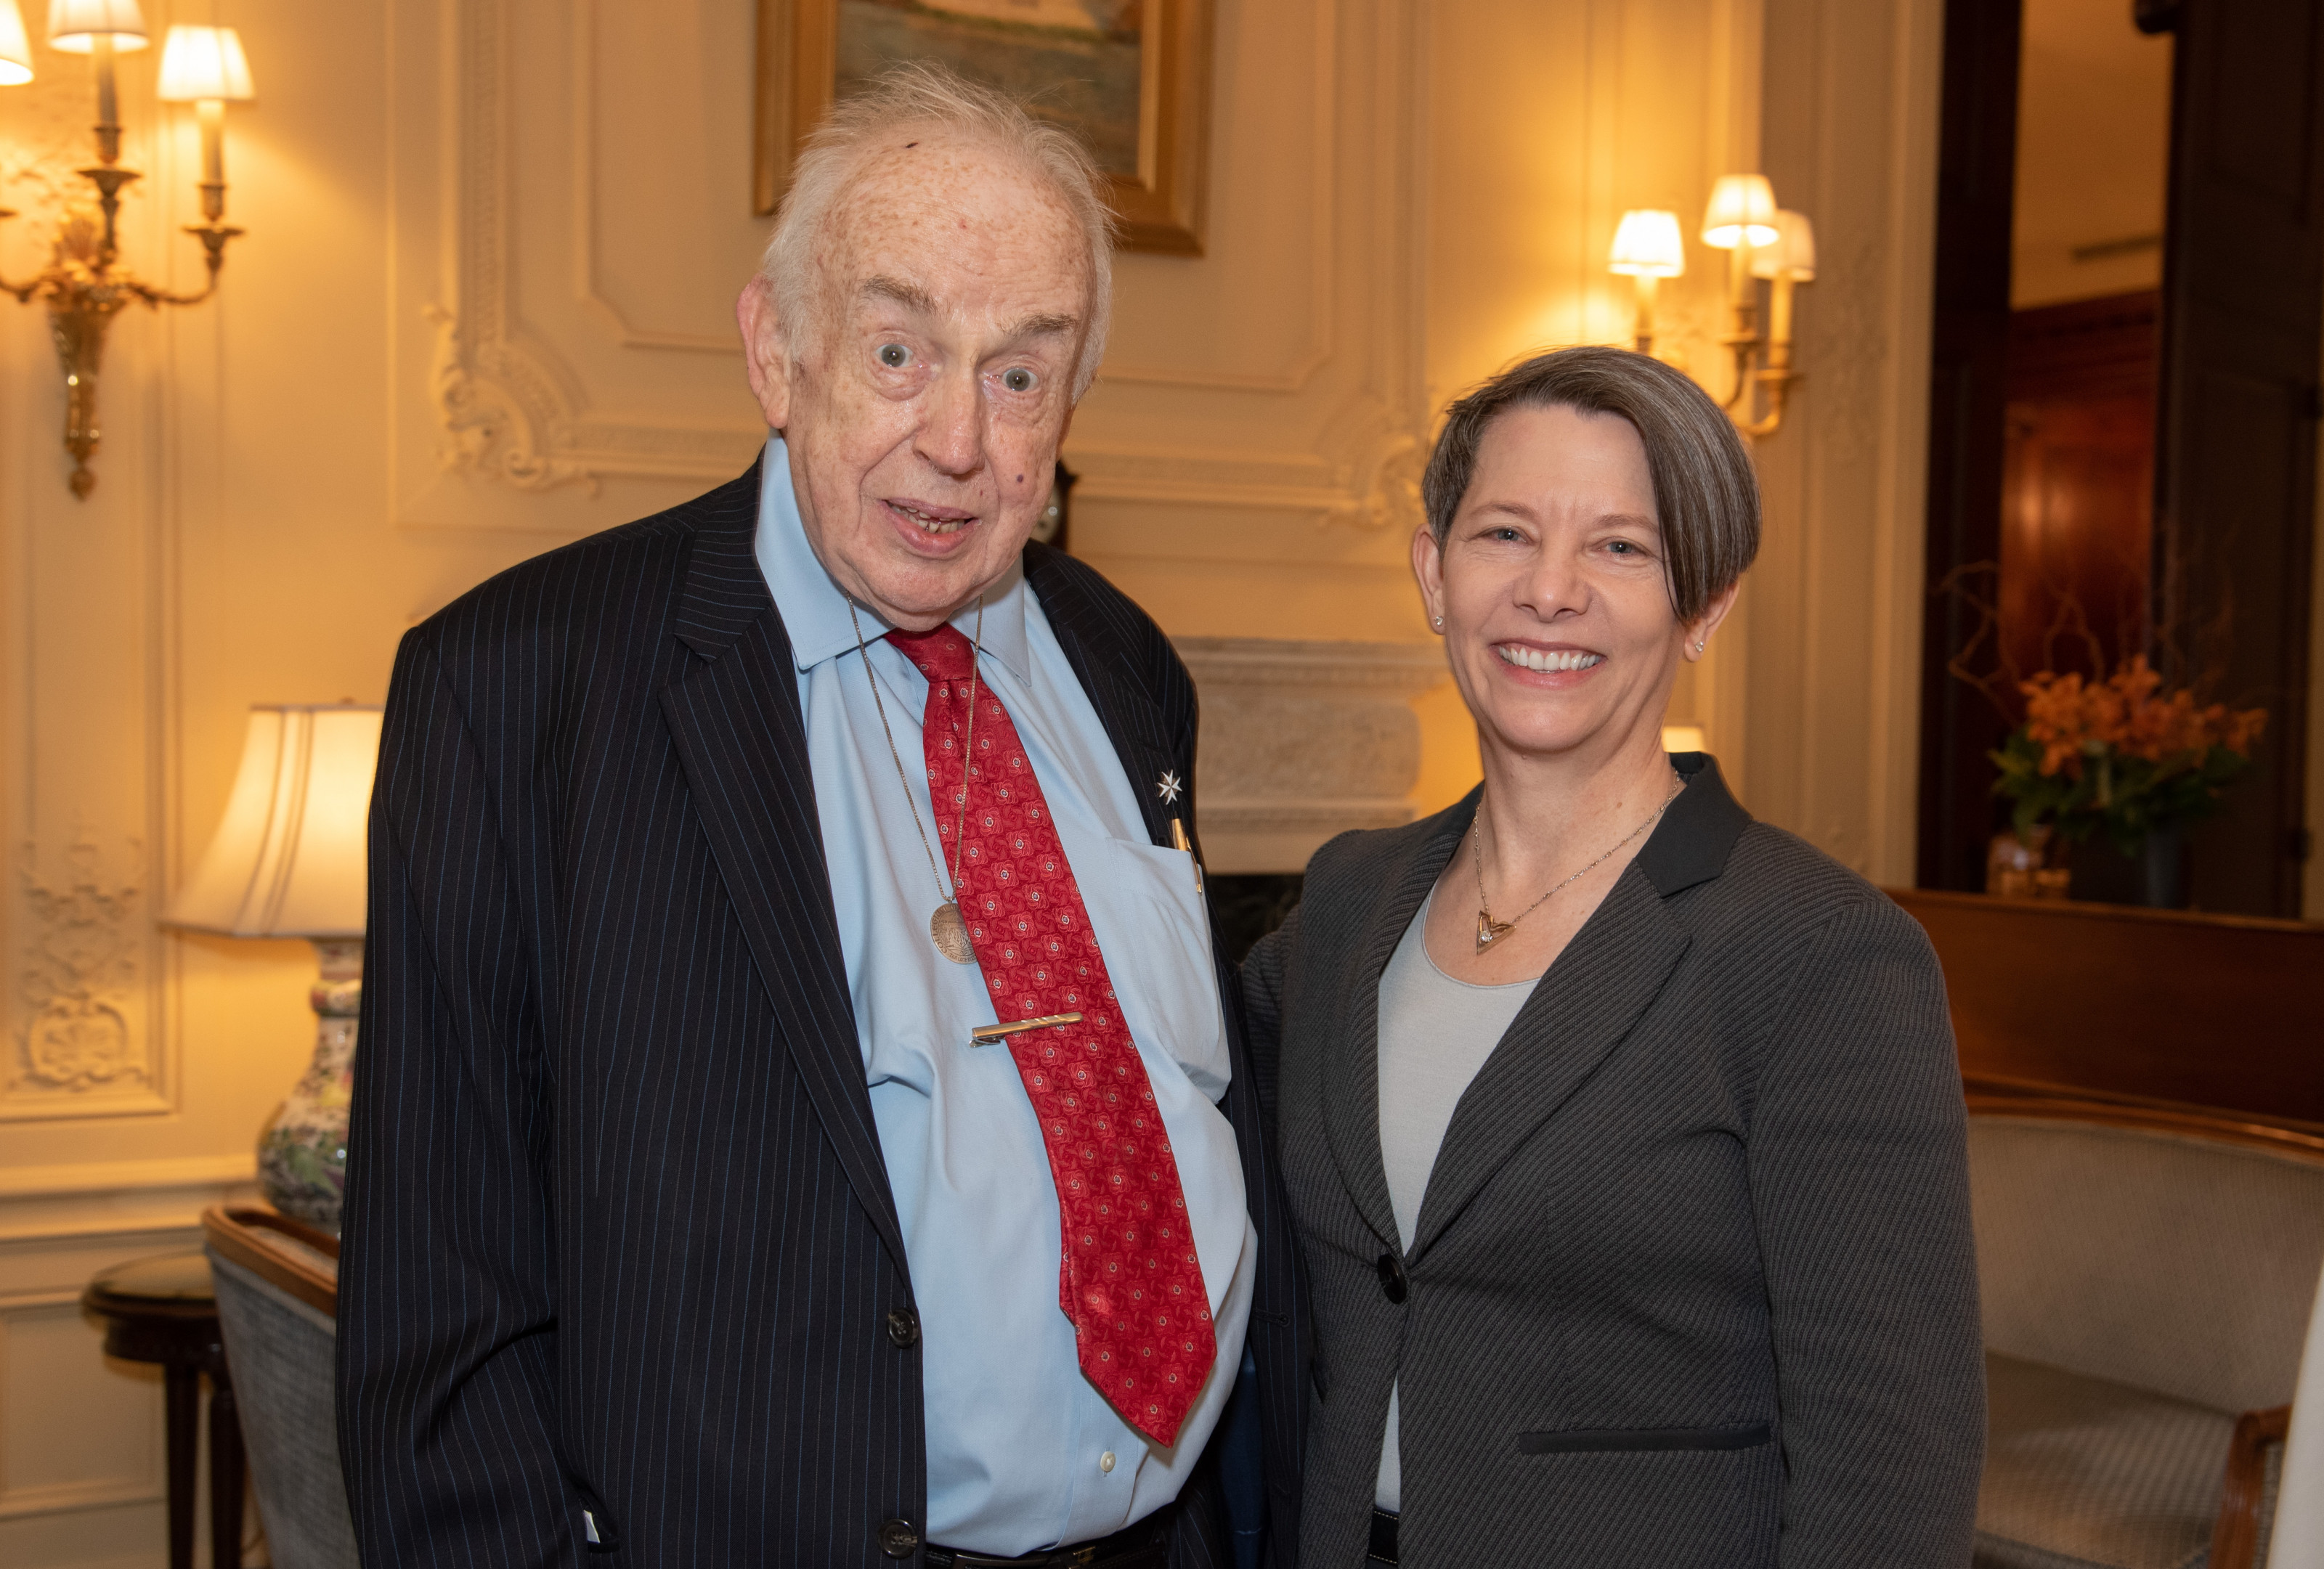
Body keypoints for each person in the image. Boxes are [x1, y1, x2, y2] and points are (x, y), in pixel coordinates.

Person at [337, 66, 1303, 1568]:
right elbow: (438, 1312)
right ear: (775, 351)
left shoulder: (1123, 665)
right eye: (898, 350)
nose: (959, 441)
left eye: (1021, 372)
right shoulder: (518, 689)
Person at [1242, 346, 1986, 1567]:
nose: (1550, 591)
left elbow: (1889, 1474)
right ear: (1433, 572)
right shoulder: (1346, 903)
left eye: (1621, 547)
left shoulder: (1825, 959)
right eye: (1505, 533)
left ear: (1706, 607)